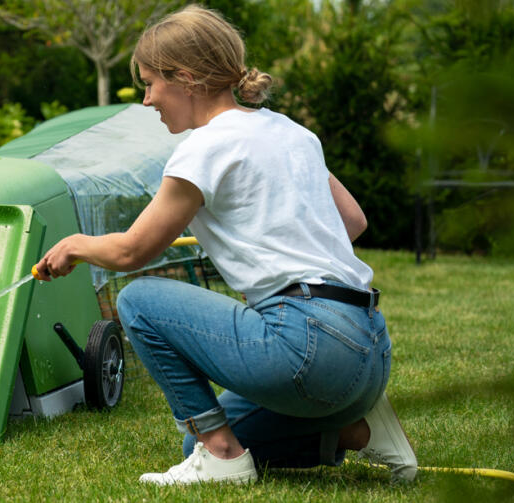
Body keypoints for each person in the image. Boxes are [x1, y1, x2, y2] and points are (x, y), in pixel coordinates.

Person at [31, 4, 416, 486]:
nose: (147, 100)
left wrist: (74, 244)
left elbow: (132, 253)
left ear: (186, 78)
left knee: (139, 301)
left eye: (150, 84)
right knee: (203, 435)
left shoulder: (204, 147)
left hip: (308, 347)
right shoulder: (290, 131)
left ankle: (221, 458)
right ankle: (358, 430)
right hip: (370, 349)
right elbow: (353, 222)